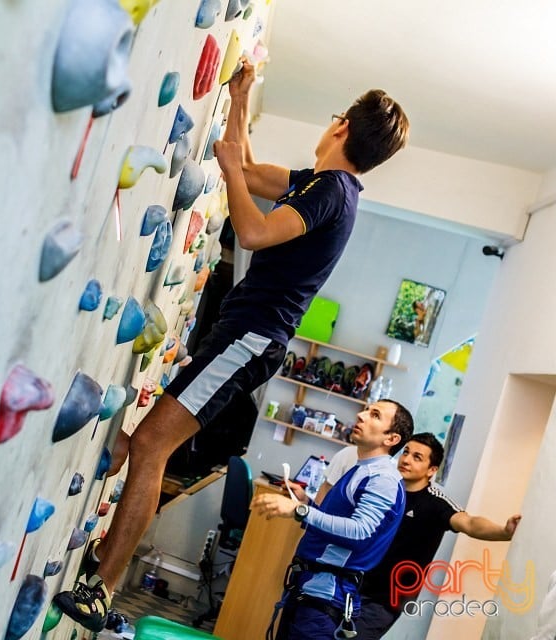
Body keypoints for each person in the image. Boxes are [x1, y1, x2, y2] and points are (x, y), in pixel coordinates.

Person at [52, 58, 410, 632]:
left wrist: (233, 176)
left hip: (250, 340)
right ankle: (109, 515)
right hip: (241, 334)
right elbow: (241, 161)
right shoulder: (320, 185)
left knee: (150, 447)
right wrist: (242, 98)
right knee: (142, 445)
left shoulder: (334, 192)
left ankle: (104, 589)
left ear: (341, 126)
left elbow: (253, 231)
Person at [252, 400, 414, 639]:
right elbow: (337, 526)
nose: (361, 415)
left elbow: (361, 533)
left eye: (375, 415)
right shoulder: (362, 468)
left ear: (391, 439)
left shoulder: (382, 479)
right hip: (309, 590)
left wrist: (300, 511)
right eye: (367, 409)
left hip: (325, 601)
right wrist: (307, 503)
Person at [354, 433, 521, 639]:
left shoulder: (435, 503)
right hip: (351, 583)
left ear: (432, 470)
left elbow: (469, 522)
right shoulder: (384, 490)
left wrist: (504, 531)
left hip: (385, 600)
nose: (406, 460)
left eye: (417, 457)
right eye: (406, 452)